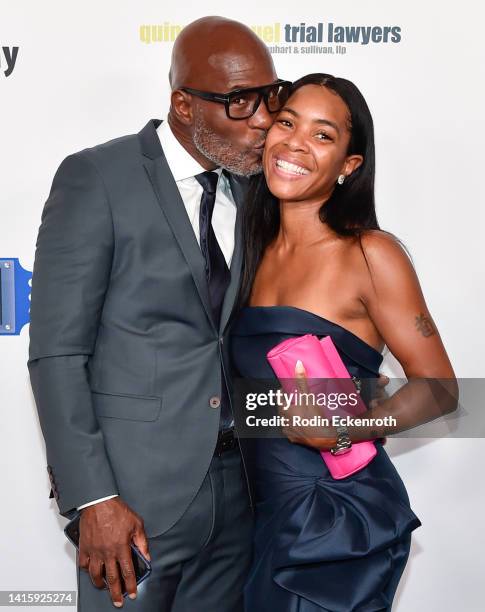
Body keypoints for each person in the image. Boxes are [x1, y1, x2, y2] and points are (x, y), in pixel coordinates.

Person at [27, 16, 293, 611]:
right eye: (239, 103)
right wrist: (93, 499)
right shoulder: (97, 177)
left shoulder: (256, 192)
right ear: (183, 104)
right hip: (132, 502)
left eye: (270, 98)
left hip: (241, 491)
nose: (262, 122)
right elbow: (57, 354)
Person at [230, 73, 457, 611]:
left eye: (323, 135)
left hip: (329, 520)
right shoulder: (245, 250)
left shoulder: (371, 255)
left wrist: (346, 426)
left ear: (348, 166)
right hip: (254, 514)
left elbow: (442, 389)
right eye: (287, 123)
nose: (295, 143)